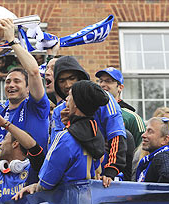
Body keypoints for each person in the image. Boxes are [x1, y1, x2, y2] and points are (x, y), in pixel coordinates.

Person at [13, 81, 108, 199]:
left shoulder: (66, 138)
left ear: (77, 103)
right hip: (90, 201)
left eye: (70, 95)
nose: (67, 99)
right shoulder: (96, 134)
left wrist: (36, 186)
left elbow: (47, 181)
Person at [50, 56, 127, 187]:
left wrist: (110, 171)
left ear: (81, 78)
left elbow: (117, 136)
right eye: (62, 80)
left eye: (72, 78)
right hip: (72, 183)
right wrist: (67, 126)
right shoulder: (59, 112)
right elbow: (57, 151)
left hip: (104, 179)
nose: (67, 85)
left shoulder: (104, 99)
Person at [0, 18, 50, 158]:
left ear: (28, 88)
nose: (11, 85)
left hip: (33, 176)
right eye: (8, 81)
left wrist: (12, 41)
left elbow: (34, 72)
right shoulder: (0, 110)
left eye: (17, 81)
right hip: (2, 175)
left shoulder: (36, 107)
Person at [95, 67, 146, 148]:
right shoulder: (91, 112)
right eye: (100, 81)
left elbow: (141, 150)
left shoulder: (132, 118)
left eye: (108, 81)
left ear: (120, 87)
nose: (102, 84)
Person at [136, 117, 169, 183]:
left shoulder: (163, 157)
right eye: (146, 131)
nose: (143, 135)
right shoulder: (153, 158)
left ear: (165, 139)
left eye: (150, 132)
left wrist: (154, 193)